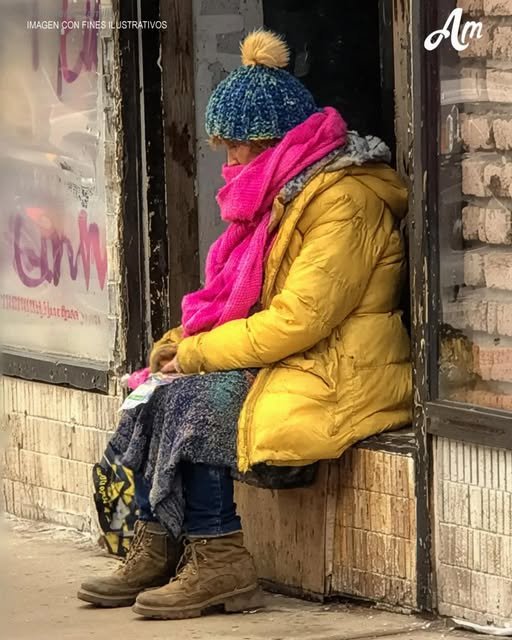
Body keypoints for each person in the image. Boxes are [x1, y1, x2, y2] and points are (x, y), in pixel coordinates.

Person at [78, 29, 412, 620]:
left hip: (337, 371)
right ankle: (158, 542)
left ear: (278, 145)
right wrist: (181, 344)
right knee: (157, 395)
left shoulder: (344, 202)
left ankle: (221, 559)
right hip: (293, 360)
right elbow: (241, 300)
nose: (229, 164)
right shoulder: (281, 198)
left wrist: (198, 354)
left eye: (238, 148)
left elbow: (298, 320)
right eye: (224, 148)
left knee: (196, 400)